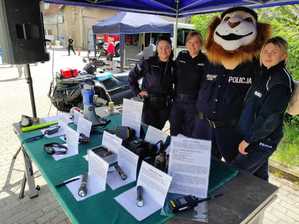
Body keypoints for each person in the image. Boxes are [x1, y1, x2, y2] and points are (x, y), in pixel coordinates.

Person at [231, 37, 293, 181]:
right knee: (259, 178)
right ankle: (259, 202)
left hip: (261, 140)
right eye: (265, 51)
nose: (268, 55)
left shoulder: (280, 81)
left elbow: (270, 118)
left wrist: (248, 139)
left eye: (274, 52)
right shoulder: (265, 73)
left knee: (234, 174)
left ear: (284, 56)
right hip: (252, 135)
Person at [128, 36, 174, 129]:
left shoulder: (174, 66)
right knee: (147, 134)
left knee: (157, 134)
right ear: (157, 48)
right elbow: (131, 77)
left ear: (171, 48)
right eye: (161, 47)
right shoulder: (148, 63)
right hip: (149, 106)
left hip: (164, 108)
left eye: (167, 47)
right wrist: (137, 92)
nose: (164, 50)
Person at [170, 31, 207, 137]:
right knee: (174, 129)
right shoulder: (182, 55)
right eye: (189, 42)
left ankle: (185, 153)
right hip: (177, 100)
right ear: (186, 44)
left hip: (193, 103)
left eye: (196, 42)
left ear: (200, 44)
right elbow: (173, 75)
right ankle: (173, 152)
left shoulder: (205, 60)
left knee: (189, 131)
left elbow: (205, 85)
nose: (192, 45)